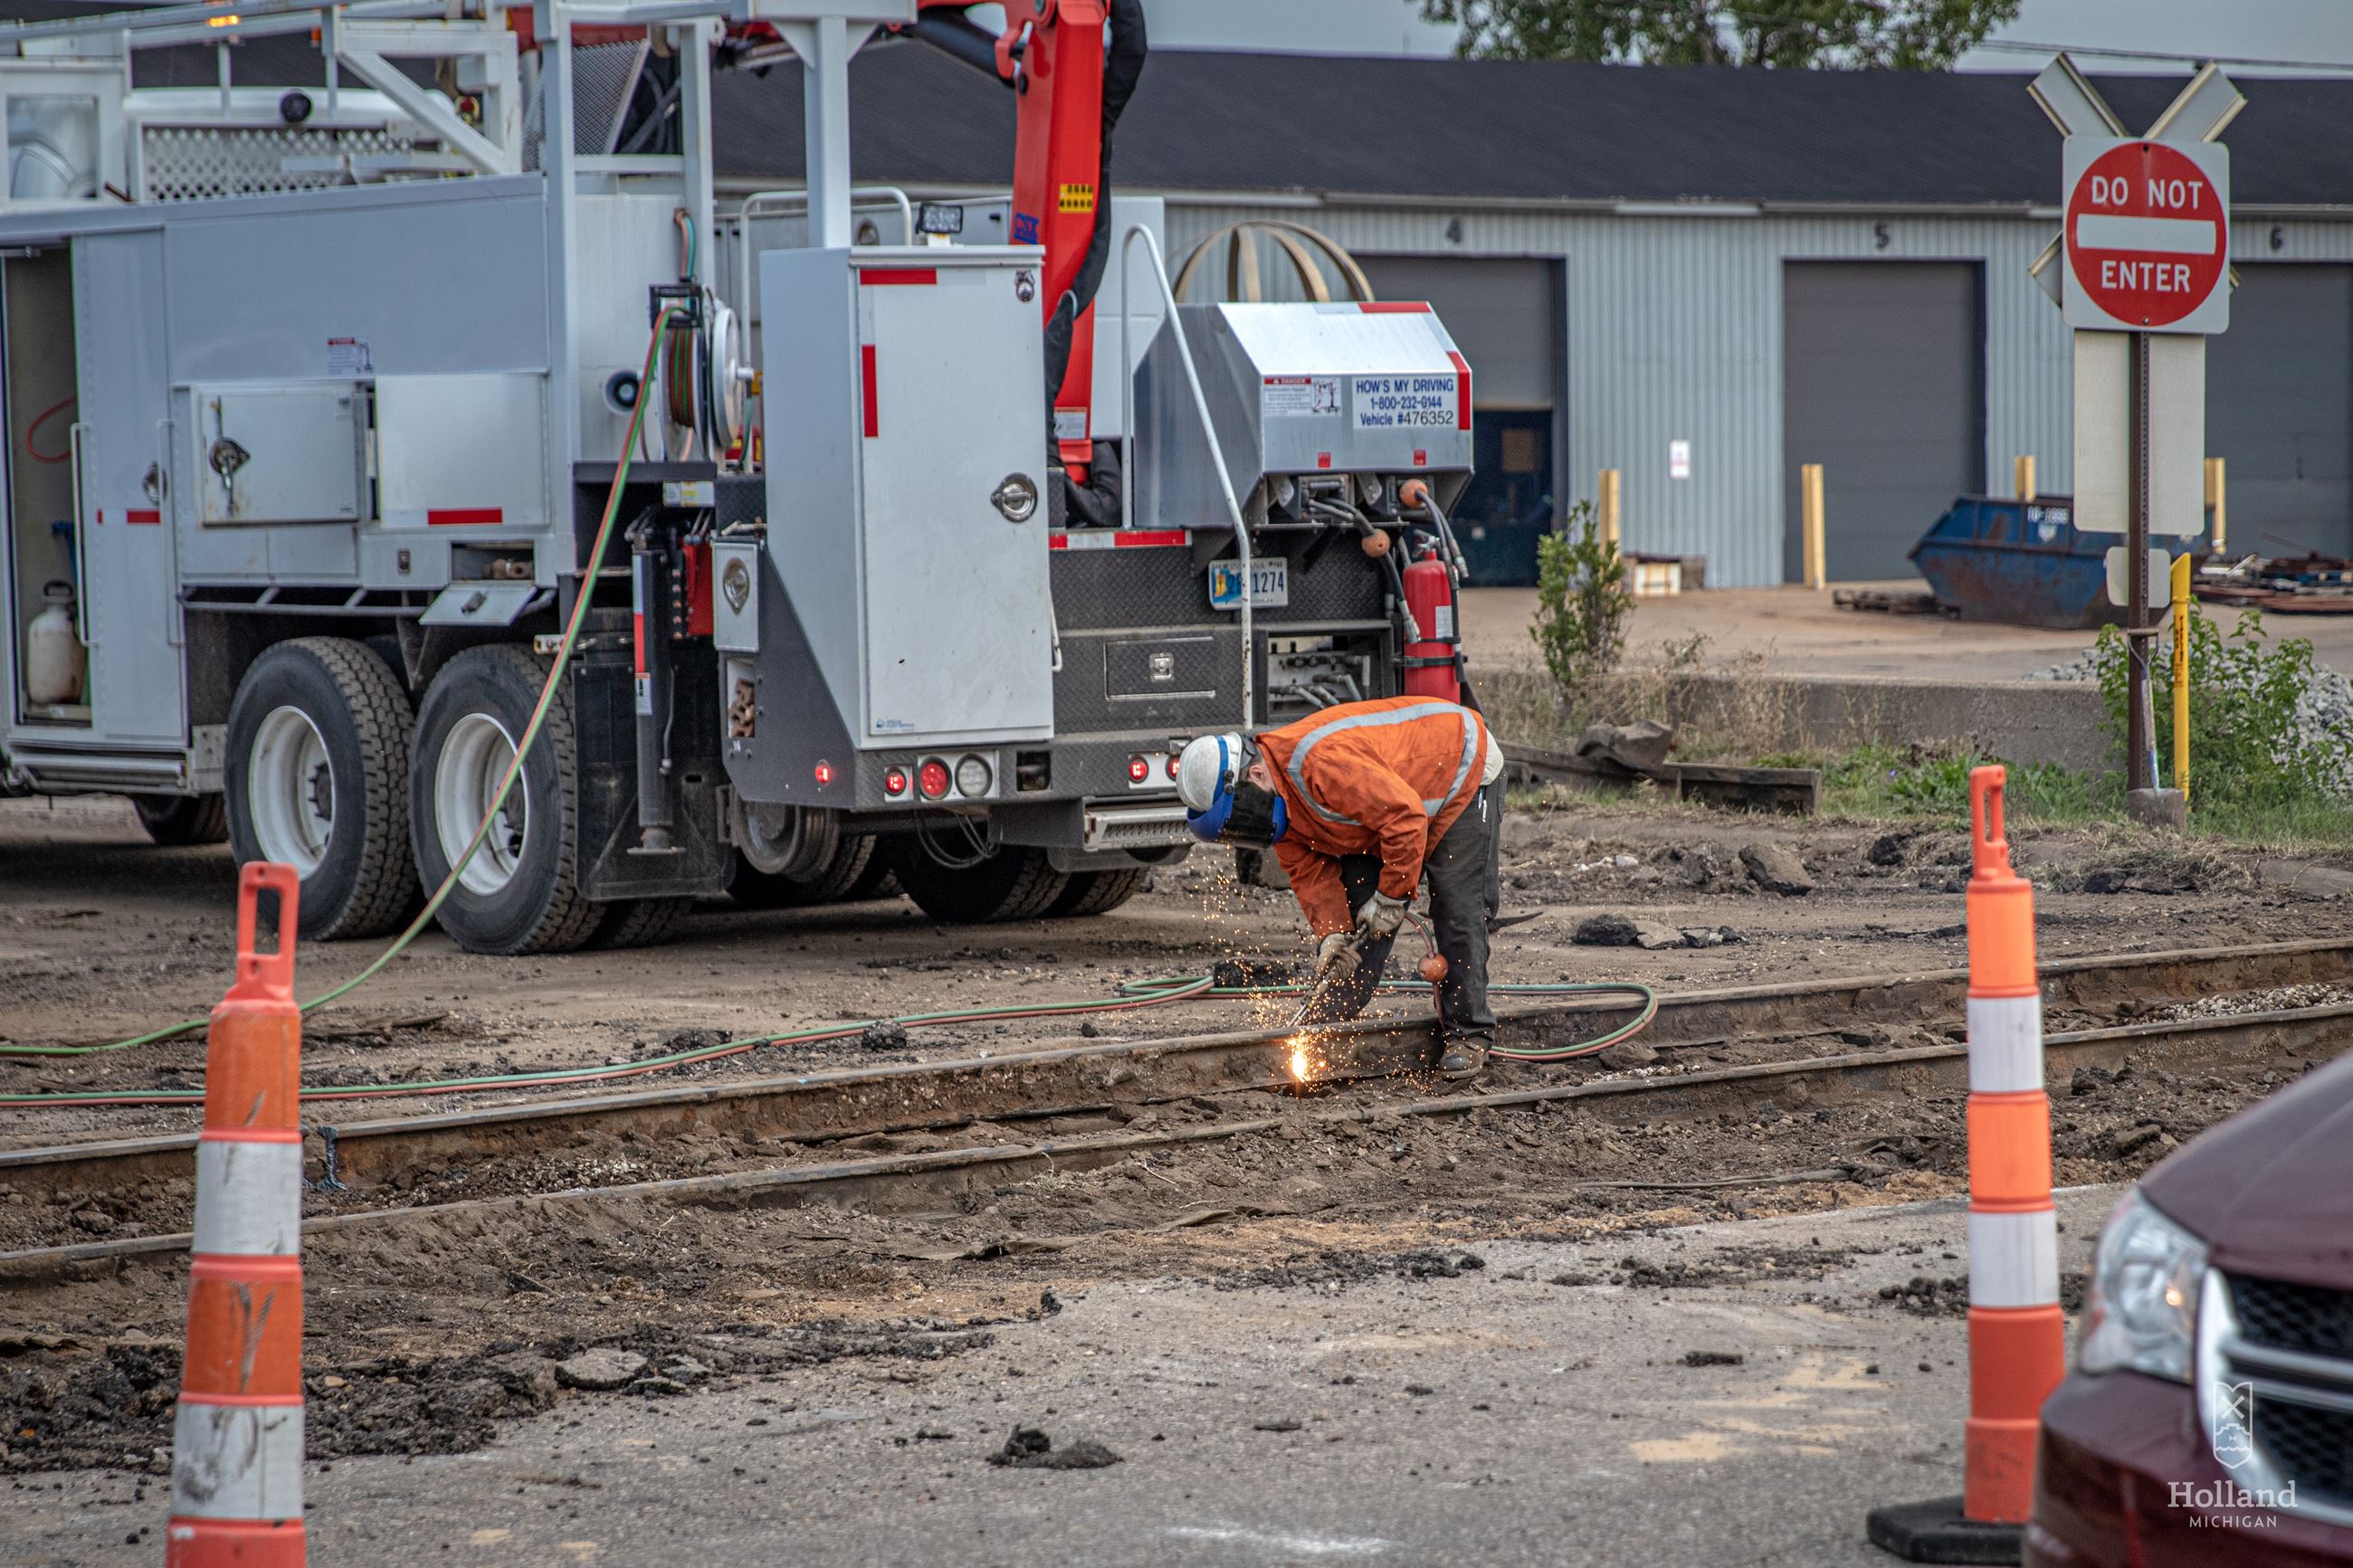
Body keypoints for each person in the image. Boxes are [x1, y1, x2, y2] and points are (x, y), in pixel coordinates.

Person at [1175, 695, 1505, 1079]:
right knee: (1356, 912)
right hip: (1391, 808)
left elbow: (1406, 820)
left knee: (1457, 907)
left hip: (1460, 767)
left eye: (1238, 818)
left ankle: (1469, 1034)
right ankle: (1322, 1029)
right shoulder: (1279, 804)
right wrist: (1332, 935)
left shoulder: (1320, 764)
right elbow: (1312, 877)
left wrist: (1391, 898)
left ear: (1256, 776)